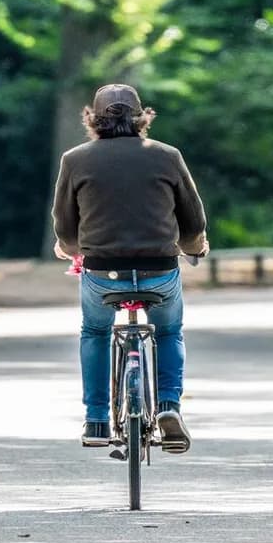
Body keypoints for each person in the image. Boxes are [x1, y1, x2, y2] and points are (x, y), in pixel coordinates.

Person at [52, 83, 208, 453]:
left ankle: (96, 419)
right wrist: (194, 248)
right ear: (142, 118)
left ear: (93, 118)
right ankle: (168, 405)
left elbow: (64, 223)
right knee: (169, 331)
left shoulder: (75, 159)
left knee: (94, 331)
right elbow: (193, 219)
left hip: (102, 271)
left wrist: (71, 249)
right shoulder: (168, 156)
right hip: (159, 267)